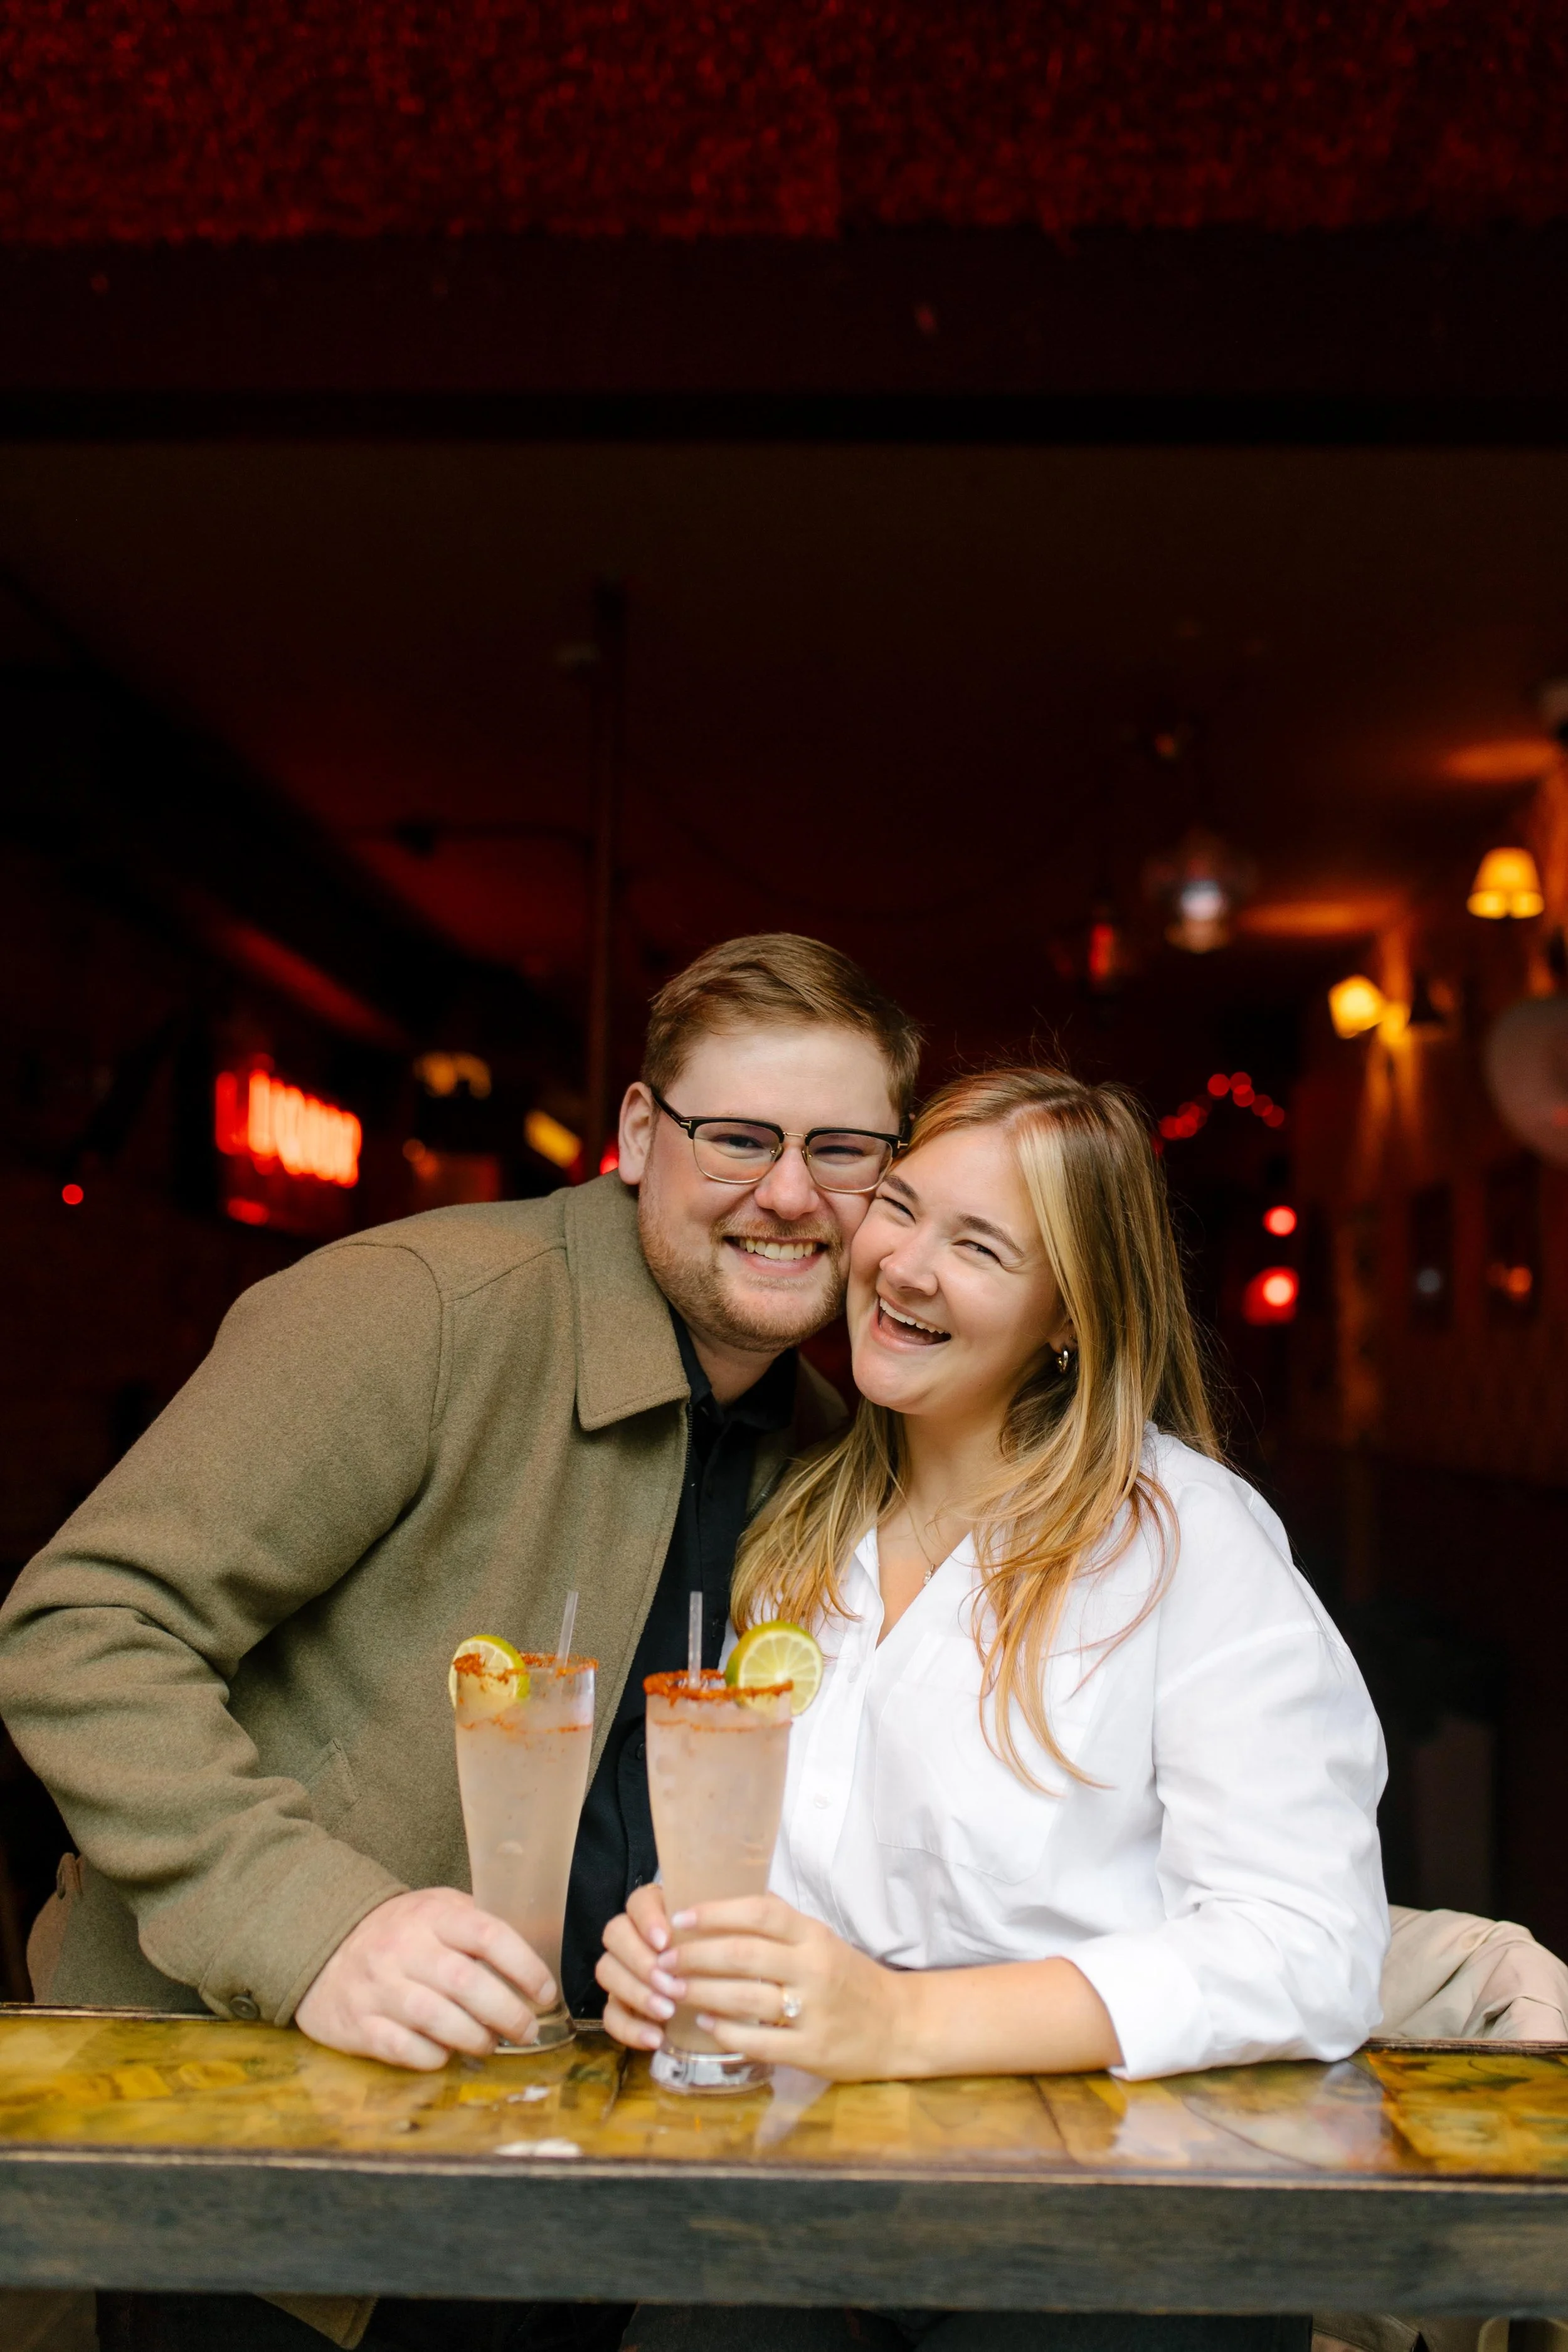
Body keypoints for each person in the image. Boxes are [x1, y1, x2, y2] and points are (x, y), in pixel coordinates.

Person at [0, 931, 919, 2352]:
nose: (789, 1194)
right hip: (257, 2147)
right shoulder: (423, 1308)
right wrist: (321, 1930)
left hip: (586, 2172)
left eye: (842, 1150)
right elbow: (83, 1630)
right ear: (634, 1134)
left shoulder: (830, 1449)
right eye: (737, 1136)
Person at [599, 1065, 1389, 2352]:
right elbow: (788, 1877)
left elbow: (1307, 1946)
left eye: (975, 1246)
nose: (902, 1266)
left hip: (1118, 2219)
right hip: (808, 2187)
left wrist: (902, 2020)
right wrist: (687, 1946)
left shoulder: (1187, 1542)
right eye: (899, 1209)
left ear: (1066, 1317)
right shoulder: (799, 1526)